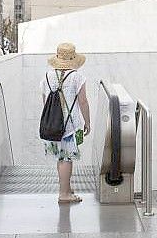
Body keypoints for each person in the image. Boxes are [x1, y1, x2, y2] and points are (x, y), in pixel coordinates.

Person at [41, 42, 91, 203]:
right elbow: (83, 102)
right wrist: (87, 122)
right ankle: (64, 194)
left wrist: (53, 119)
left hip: (53, 125)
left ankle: (66, 188)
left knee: (61, 158)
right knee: (66, 159)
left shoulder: (48, 76)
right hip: (70, 126)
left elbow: (45, 98)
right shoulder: (77, 77)